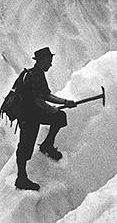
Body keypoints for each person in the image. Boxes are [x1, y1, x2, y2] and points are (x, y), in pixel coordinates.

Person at [14, 47, 76, 191]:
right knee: (25, 147)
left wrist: (65, 102)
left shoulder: (39, 74)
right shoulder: (33, 75)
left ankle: (47, 145)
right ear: (42, 61)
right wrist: (52, 109)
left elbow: (46, 95)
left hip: (34, 114)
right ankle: (21, 179)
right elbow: (37, 100)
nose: (51, 64)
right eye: (49, 61)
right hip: (27, 117)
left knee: (60, 117)